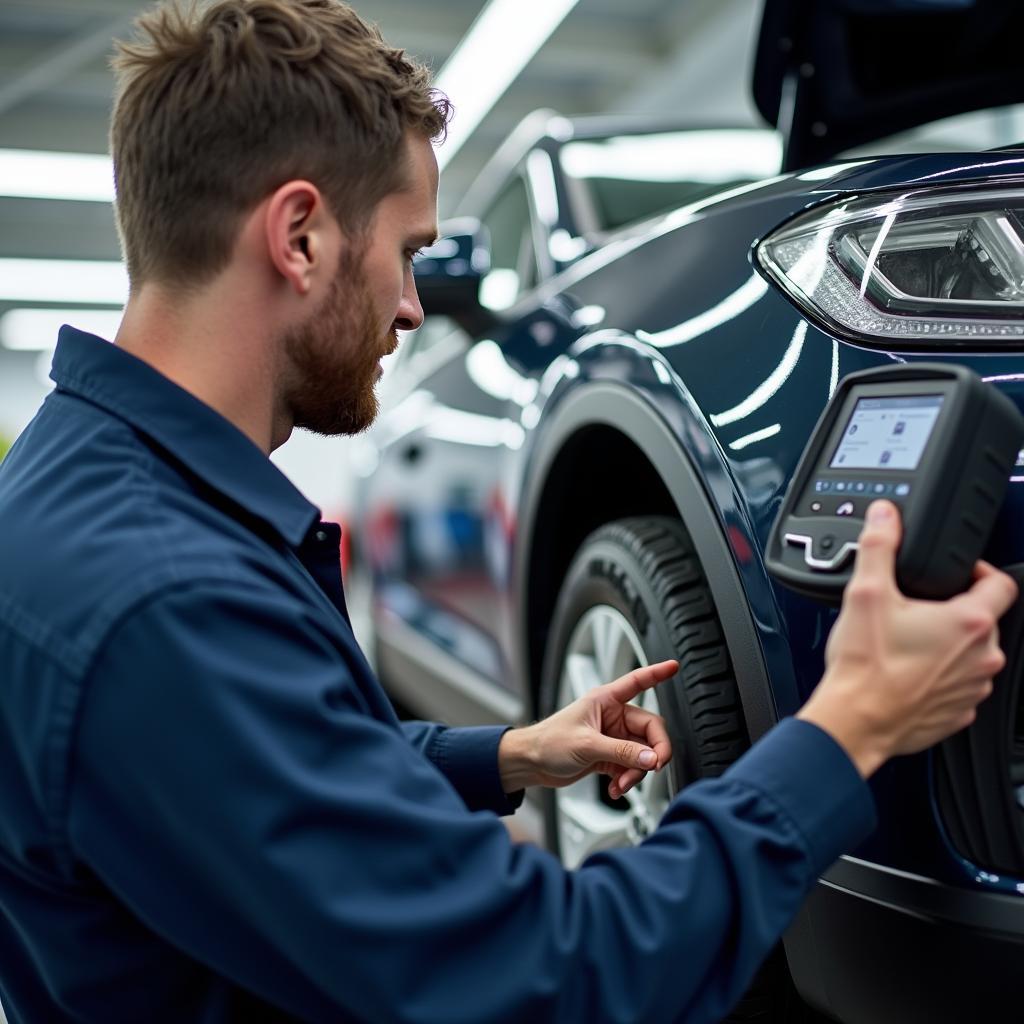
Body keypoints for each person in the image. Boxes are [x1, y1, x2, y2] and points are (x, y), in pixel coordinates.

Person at [0, 2, 1015, 1022]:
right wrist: (848, 728)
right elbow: (553, 974)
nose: (411, 305)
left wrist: (509, 753)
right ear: (298, 235)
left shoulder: (93, 492)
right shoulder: (162, 603)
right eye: (406, 251)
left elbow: (256, 769)